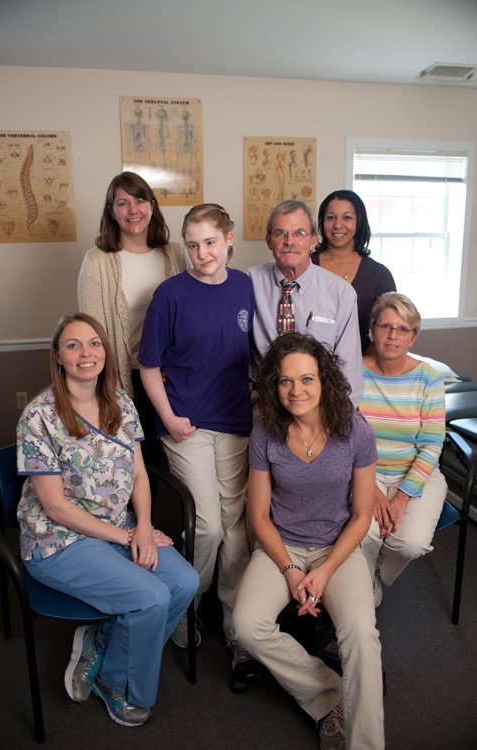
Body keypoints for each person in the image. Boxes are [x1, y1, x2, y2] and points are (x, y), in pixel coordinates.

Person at [17, 312, 198, 727]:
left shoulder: (120, 402)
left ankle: (101, 645)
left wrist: (144, 528)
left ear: (105, 351)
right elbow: (55, 507)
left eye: (94, 343)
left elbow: (139, 474)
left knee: (184, 582)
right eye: (73, 345)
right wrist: (128, 535)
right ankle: (118, 685)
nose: (86, 353)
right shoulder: (39, 416)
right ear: (58, 356)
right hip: (59, 539)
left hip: (120, 525)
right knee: (150, 597)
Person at [233, 332, 384, 750]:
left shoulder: (356, 431)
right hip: (282, 546)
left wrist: (324, 571)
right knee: (247, 626)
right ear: (274, 385)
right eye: (285, 381)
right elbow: (259, 517)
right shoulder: (265, 433)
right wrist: (290, 569)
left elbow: (362, 515)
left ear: (324, 381)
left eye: (306, 379)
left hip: (337, 548)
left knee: (360, 633)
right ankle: (329, 696)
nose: (295, 390)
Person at [139, 203, 254, 665]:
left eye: (210, 242)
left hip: (237, 424)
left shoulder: (245, 286)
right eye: (192, 245)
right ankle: (185, 605)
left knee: (237, 531)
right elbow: (149, 367)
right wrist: (168, 418)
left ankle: (235, 619)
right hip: (187, 426)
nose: (202, 253)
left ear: (228, 239)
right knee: (207, 526)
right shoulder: (170, 295)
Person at [77, 171, 188, 463]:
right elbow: (92, 332)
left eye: (139, 200)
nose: (132, 210)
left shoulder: (176, 254)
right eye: (122, 203)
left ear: (152, 205)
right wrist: (111, 384)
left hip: (171, 374)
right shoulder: (98, 261)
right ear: (111, 212)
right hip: (125, 378)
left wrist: (170, 363)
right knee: (137, 460)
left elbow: (189, 317)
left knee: (179, 457)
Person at [358, 292, 447, 606]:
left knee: (410, 543)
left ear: (413, 336)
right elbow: (345, 438)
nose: (392, 335)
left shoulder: (429, 379)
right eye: (385, 326)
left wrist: (402, 497)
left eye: (402, 329)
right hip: (364, 472)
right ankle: (365, 583)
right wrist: (371, 488)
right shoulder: (353, 372)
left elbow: (432, 445)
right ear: (372, 330)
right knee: (363, 534)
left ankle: (378, 570)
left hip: (417, 474)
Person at [248, 199, 363, 407]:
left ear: (313, 241)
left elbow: (349, 372)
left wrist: (335, 419)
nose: (289, 241)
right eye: (280, 233)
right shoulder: (248, 283)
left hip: (318, 403)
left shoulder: (341, 293)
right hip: (264, 401)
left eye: (299, 233)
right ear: (269, 241)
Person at [312, 190, 396, 354]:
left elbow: (390, 329)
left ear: (359, 222)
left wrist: (363, 362)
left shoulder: (379, 275)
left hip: (361, 361)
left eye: (347, 217)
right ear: (322, 222)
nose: (337, 225)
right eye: (330, 217)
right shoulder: (305, 265)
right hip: (307, 363)